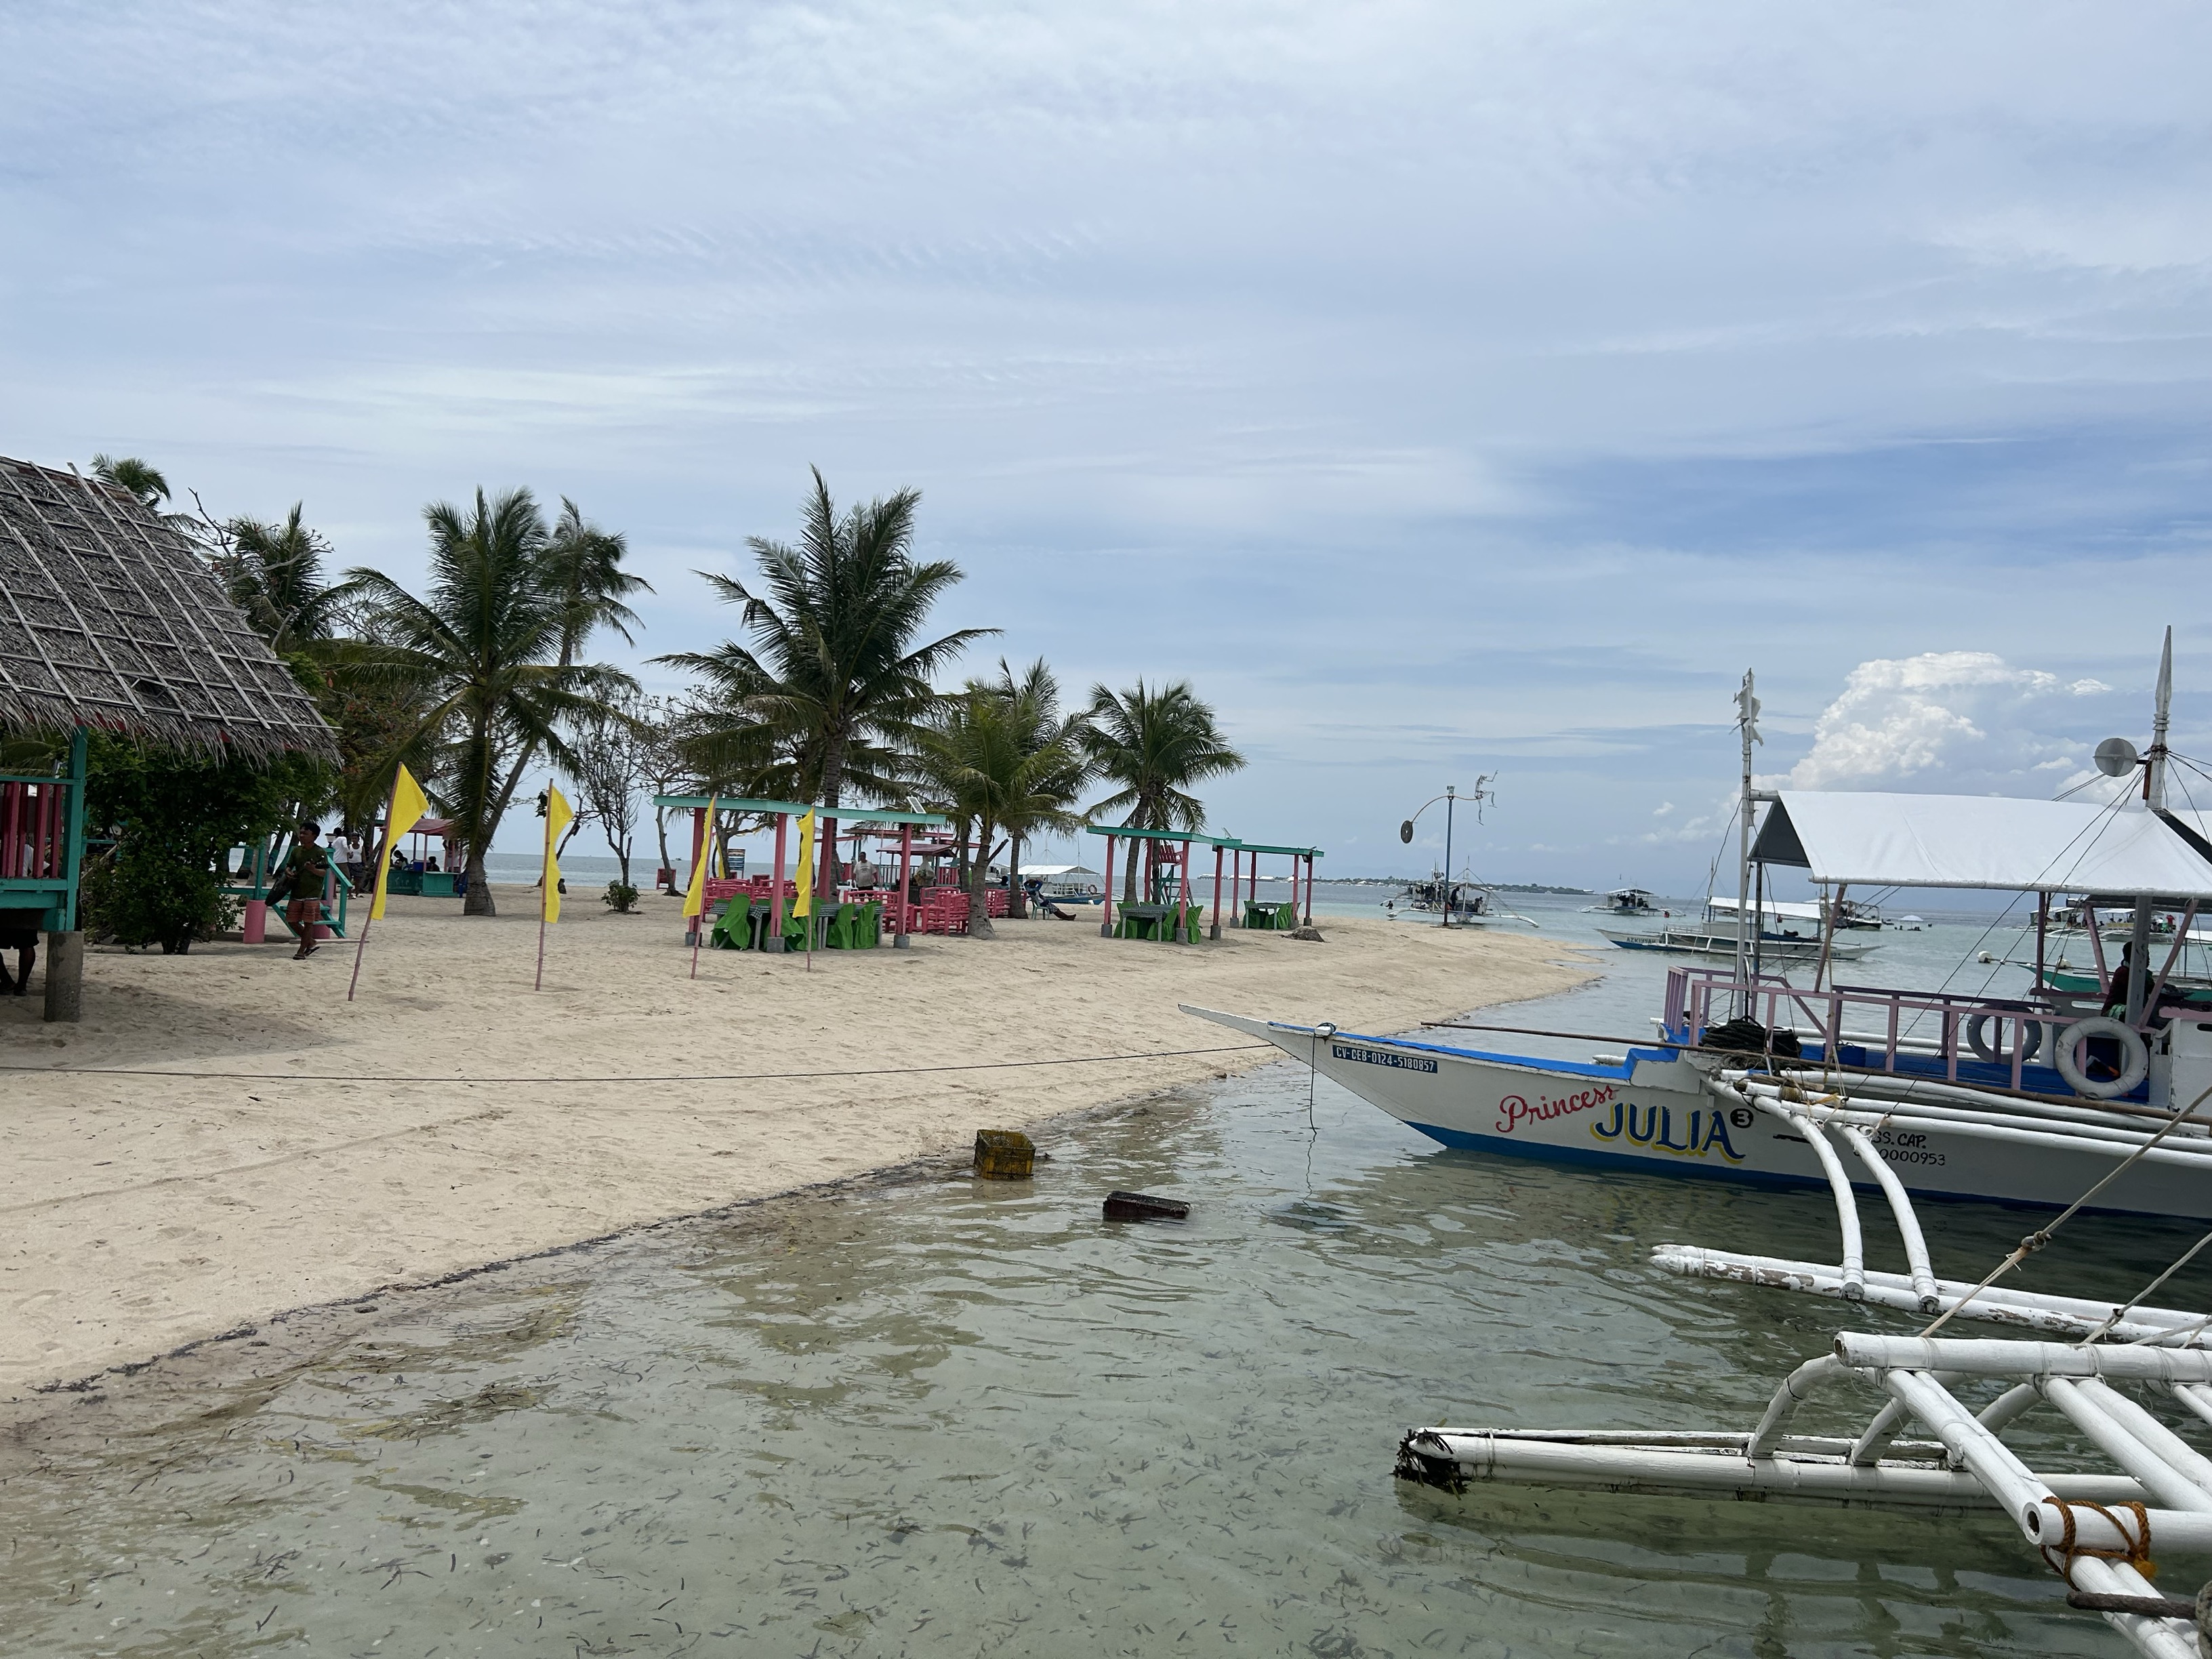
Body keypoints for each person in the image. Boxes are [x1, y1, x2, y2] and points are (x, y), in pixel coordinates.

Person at [283, 823, 330, 960]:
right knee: (292, 921)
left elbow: (324, 872)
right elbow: (288, 866)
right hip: (297, 891)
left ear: (314, 836)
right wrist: (288, 872)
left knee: (309, 922)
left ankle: (301, 951)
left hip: (313, 892)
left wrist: (313, 870)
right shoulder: (296, 851)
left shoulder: (320, 852)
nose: (301, 835)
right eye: (301, 833)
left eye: (305, 833)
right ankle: (310, 942)